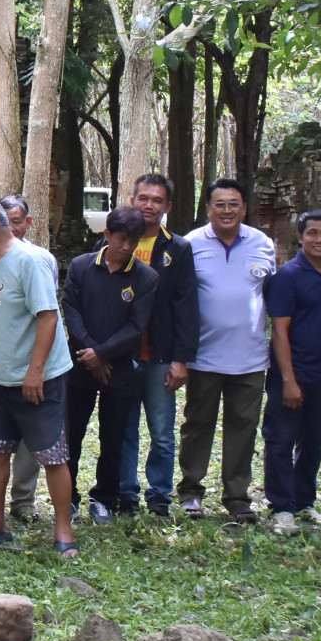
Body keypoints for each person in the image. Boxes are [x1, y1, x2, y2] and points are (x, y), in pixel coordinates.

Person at [0, 198, 79, 558]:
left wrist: (36, 371)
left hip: (39, 378)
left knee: (52, 454)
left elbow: (48, 317)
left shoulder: (29, 262)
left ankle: (63, 531)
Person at [178, 179, 277, 523]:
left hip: (250, 358)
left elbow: (270, 295)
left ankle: (237, 496)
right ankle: (191, 491)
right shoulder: (191, 244)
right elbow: (180, 299)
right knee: (197, 424)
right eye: (219, 204)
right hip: (204, 356)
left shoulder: (263, 244)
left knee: (243, 428)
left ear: (244, 208)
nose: (227, 210)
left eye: (233, 204)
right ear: (208, 209)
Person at [61, 205, 160, 524]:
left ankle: (103, 498)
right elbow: (70, 310)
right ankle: (68, 496)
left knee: (113, 437)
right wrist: (91, 354)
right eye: (121, 240)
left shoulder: (146, 277)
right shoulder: (81, 266)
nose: (127, 247)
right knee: (71, 434)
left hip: (119, 368)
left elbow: (136, 326)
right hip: (78, 364)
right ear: (107, 235)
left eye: (133, 240)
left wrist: (102, 355)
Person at [262, 209, 321, 534]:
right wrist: (288, 380)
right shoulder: (287, 277)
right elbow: (280, 332)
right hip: (292, 374)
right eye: (312, 233)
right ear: (300, 237)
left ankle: (304, 501)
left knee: (314, 440)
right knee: (280, 440)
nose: (319, 239)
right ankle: (281, 506)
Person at [0, 193, 58, 520]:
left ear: (26, 223)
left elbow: (45, 316)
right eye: (3, 221)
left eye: (16, 221)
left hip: (32, 366)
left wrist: (36, 368)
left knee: (30, 439)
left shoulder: (40, 260)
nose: (10, 227)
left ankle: (23, 500)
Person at [124, 175, 199, 516]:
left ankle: (159, 496)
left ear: (167, 207)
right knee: (123, 429)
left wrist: (181, 359)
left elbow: (186, 305)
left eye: (156, 200)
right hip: (122, 356)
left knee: (162, 432)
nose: (149, 205)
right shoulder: (112, 241)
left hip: (160, 355)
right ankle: (124, 493)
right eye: (143, 198)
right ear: (132, 200)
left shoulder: (177, 248)